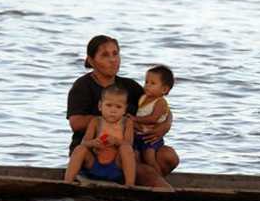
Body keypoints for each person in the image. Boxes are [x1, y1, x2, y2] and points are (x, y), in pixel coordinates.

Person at [66, 35, 179, 188]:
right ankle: (159, 196)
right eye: (105, 55)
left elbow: (158, 104)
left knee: (168, 156)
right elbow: (76, 123)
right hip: (95, 152)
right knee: (146, 172)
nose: (113, 59)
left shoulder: (129, 86)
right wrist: (117, 118)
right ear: (91, 61)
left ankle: (141, 192)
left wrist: (165, 125)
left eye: (115, 53)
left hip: (126, 149)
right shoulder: (83, 86)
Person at [65, 85, 136, 185]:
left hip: (116, 167)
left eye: (118, 107)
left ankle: (130, 185)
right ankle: (67, 182)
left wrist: (116, 141)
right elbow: (84, 142)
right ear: (100, 106)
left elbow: (129, 144)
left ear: (125, 109)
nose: (113, 110)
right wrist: (94, 143)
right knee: (80, 149)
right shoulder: (96, 121)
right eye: (108, 105)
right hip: (95, 165)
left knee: (126, 149)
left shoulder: (127, 123)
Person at [134, 65, 174, 172]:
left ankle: (158, 177)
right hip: (139, 135)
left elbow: (153, 119)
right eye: (146, 82)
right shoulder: (143, 98)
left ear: (164, 89)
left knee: (149, 158)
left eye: (152, 83)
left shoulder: (160, 102)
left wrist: (134, 119)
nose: (147, 86)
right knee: (136, 157)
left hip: (151, 137)